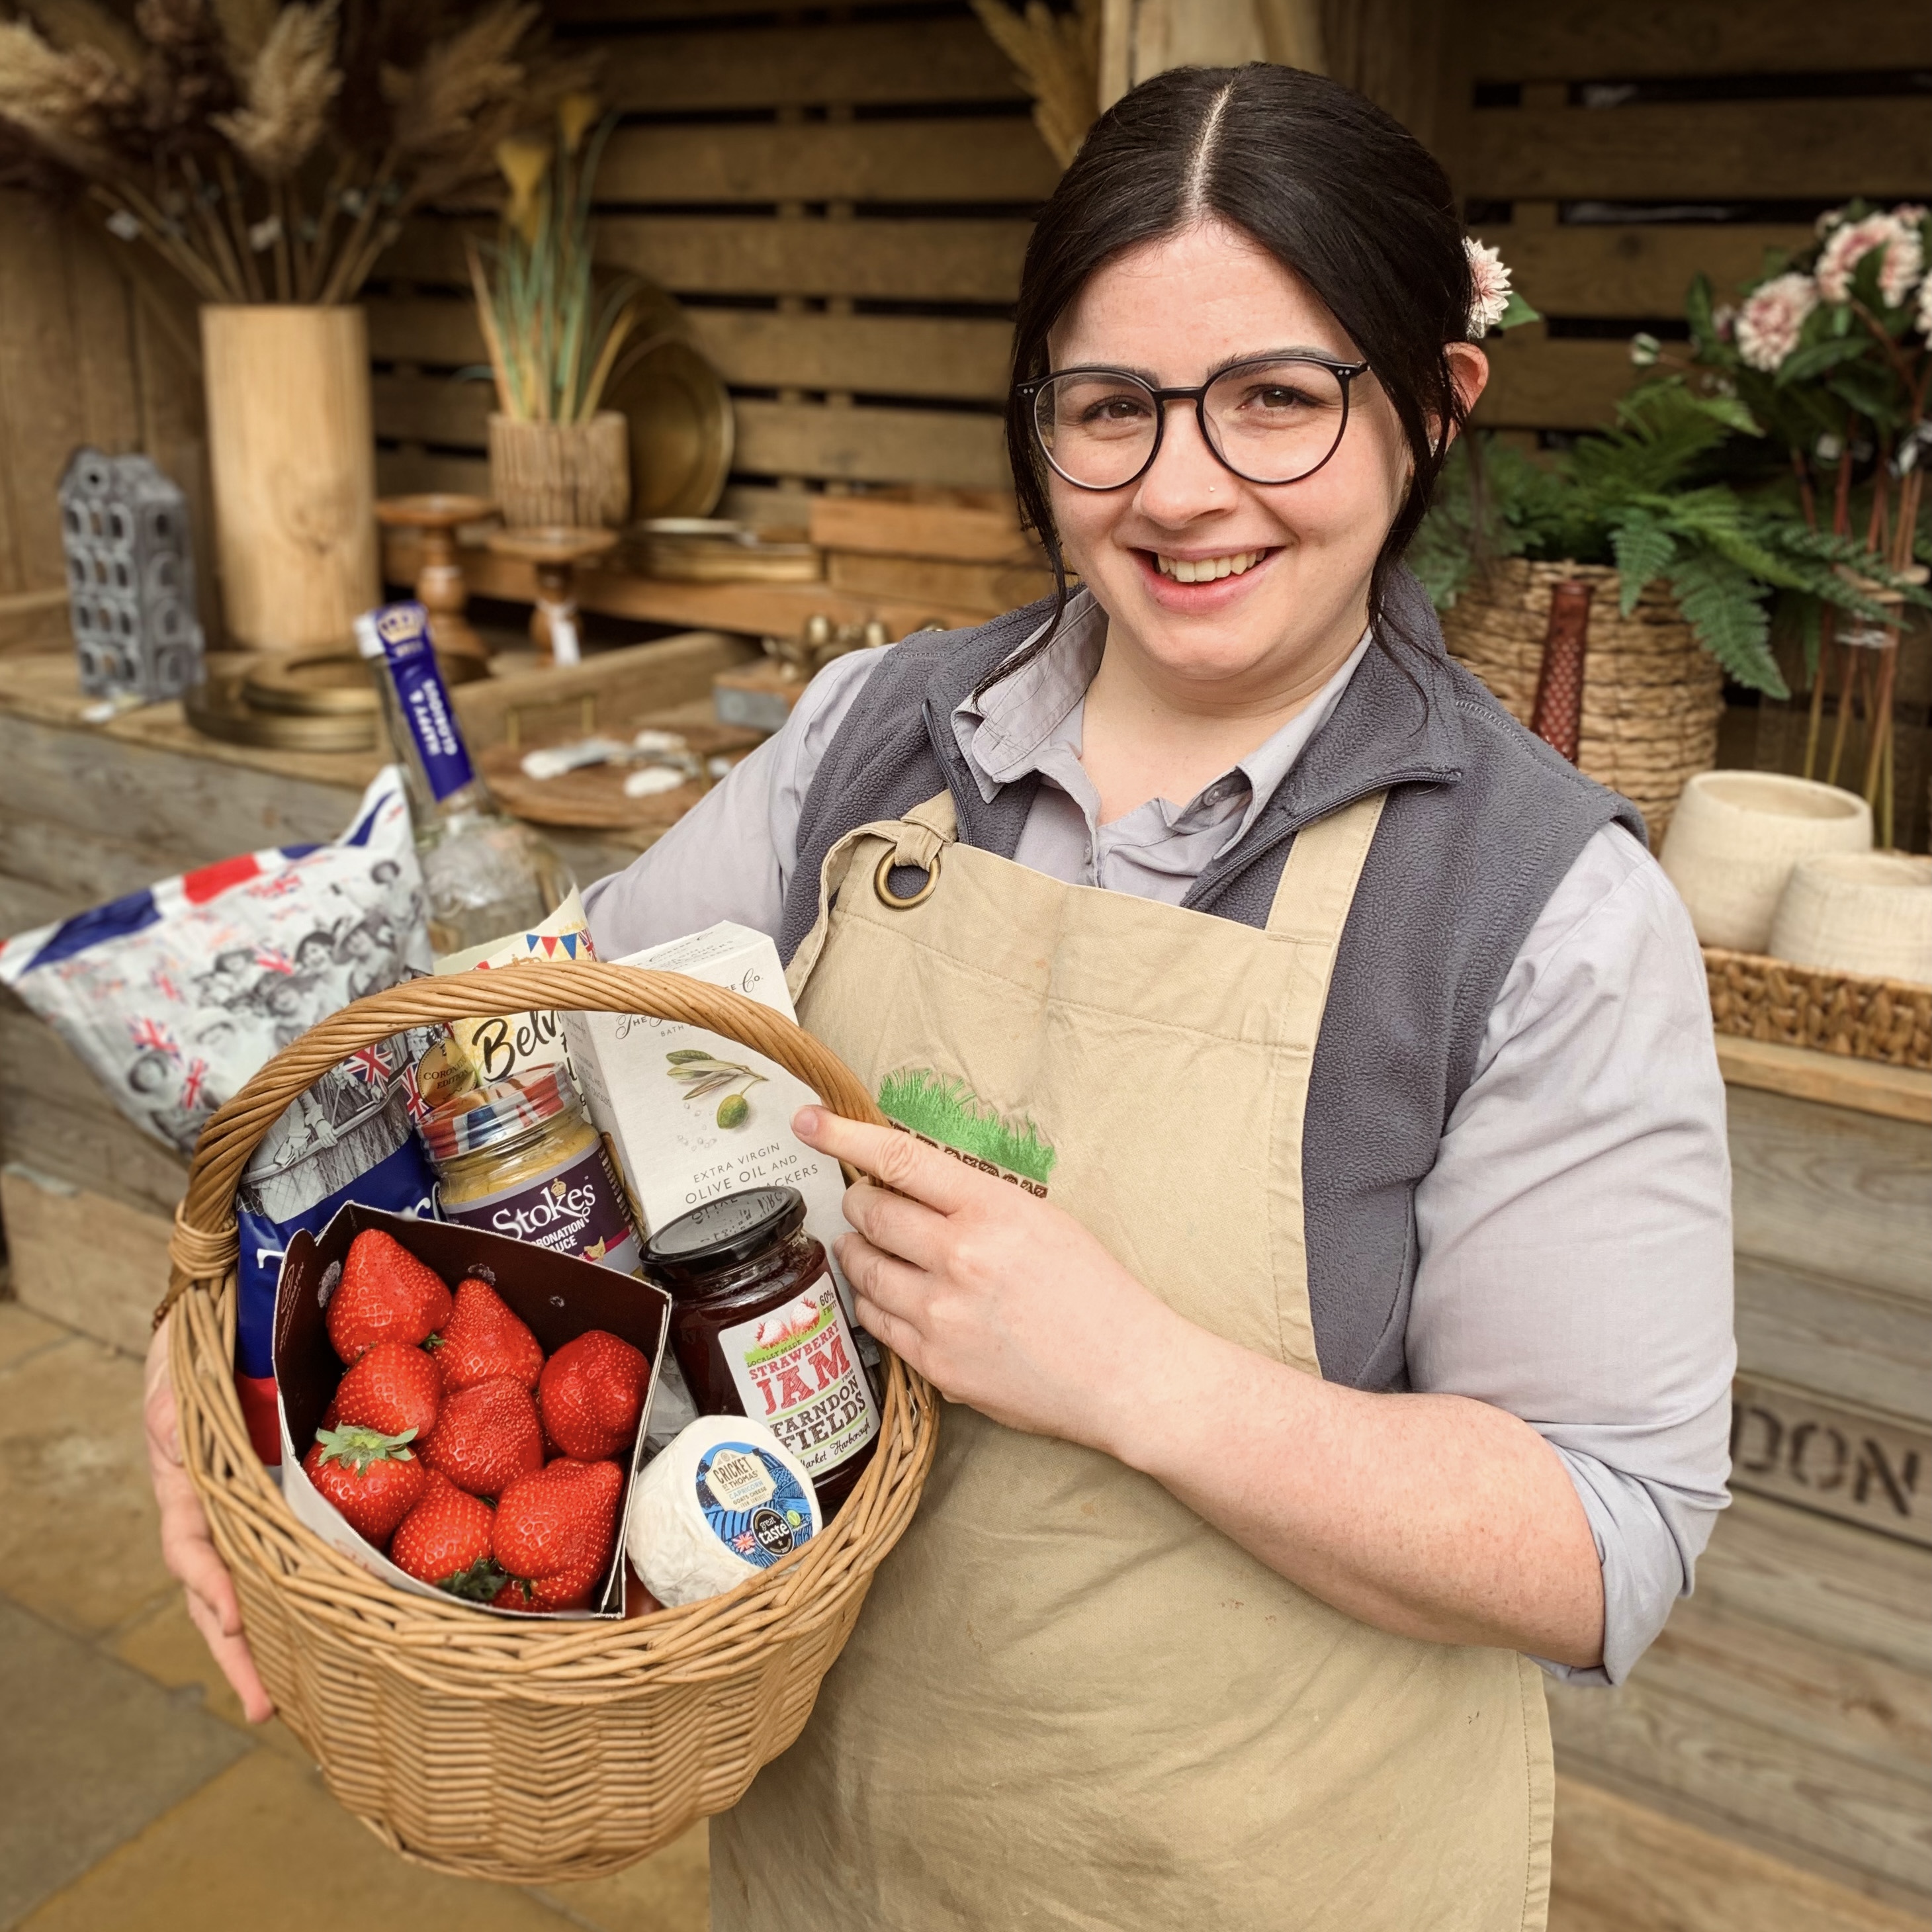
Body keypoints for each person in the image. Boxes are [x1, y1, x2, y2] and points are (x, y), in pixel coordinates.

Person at [147, 64, 1732, 1930]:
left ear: (1433, 410)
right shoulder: (870, 742)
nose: (1184, 489)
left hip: (1256, 1877)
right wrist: (205, 1346)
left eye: (1281, 403)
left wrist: (1130, 1373)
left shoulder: (1542, 911)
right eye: (1109, 410)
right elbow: (504, 1061)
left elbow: (1601, 1540)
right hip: (836, 1854)